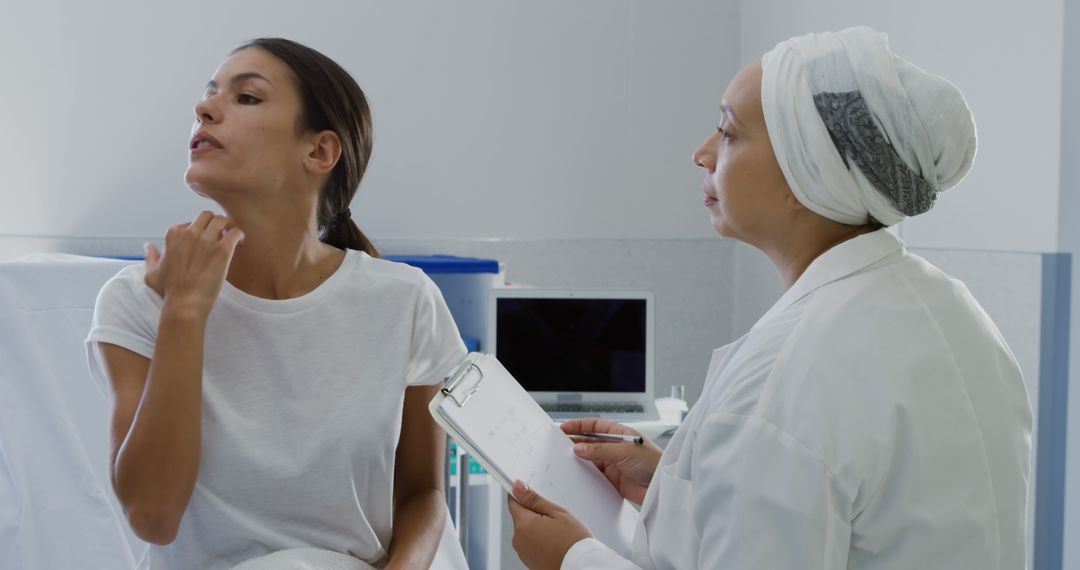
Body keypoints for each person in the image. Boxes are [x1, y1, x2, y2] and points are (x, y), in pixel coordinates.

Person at [507, 27, 1032, 569]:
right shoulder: (954, 310)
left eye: (729, 134)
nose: (701, 153)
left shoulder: (787, 375)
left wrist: (570, 558)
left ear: (806, 172)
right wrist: (679, 480)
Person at [85, 38, 467, 569]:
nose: (204, 108)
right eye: (209, 94)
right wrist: (185, 313)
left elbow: (423, 493)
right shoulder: (137, 299)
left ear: (319, 152)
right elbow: (153, 517)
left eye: (246, 98)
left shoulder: (404, 301)